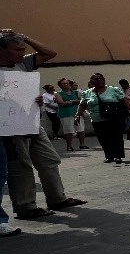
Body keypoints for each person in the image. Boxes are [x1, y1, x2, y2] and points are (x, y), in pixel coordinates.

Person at [0, 30, 87, 220]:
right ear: (2, 49)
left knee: (49, 160)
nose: (22, 54)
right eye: (17, 50)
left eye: (23, 50)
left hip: (31, 121)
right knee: (20, 165)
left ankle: (57, 198)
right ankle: (26, 206)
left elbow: (50, 53)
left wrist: (26, 38)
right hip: (10, 126)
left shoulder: (23, 64)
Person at [76, 73, 130, 164]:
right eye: (96, 79)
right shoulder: (87, 93)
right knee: (103, 138)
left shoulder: (113, 90)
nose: (99, 81)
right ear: (91, 82)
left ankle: (118, 156)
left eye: (101, 78)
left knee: (116, 137)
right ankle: (109, 155)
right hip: (97, 119)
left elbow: (124, 101)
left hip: (114, 118)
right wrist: (78, 115)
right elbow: (82, 105)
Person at [55, 78, 87, 151]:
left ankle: (82, 144)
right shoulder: (58, 93)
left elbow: (82, 101)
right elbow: (61, 103)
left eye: (67, 83)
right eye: (64, 84)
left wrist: (69, 102)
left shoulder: (76, 92)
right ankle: (69, 146)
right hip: (66, 113)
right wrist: (73, 102)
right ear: (60, 86)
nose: (66, 85)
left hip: (77, 113)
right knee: (68, 130)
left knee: (81, 129)